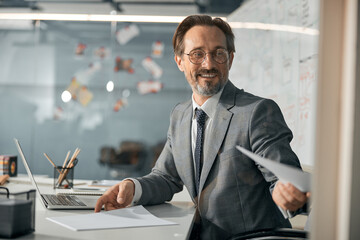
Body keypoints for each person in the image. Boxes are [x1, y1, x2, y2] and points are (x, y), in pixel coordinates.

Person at [95, 15, 310, 239]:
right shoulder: (180, 114)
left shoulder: (256, 112)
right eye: (197, 54)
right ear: (179, 61)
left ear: (230, 59)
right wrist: (131, 187)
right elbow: (166, 177)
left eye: (219, 53)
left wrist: (290, 195)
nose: (209, 64)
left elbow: (284, 180)